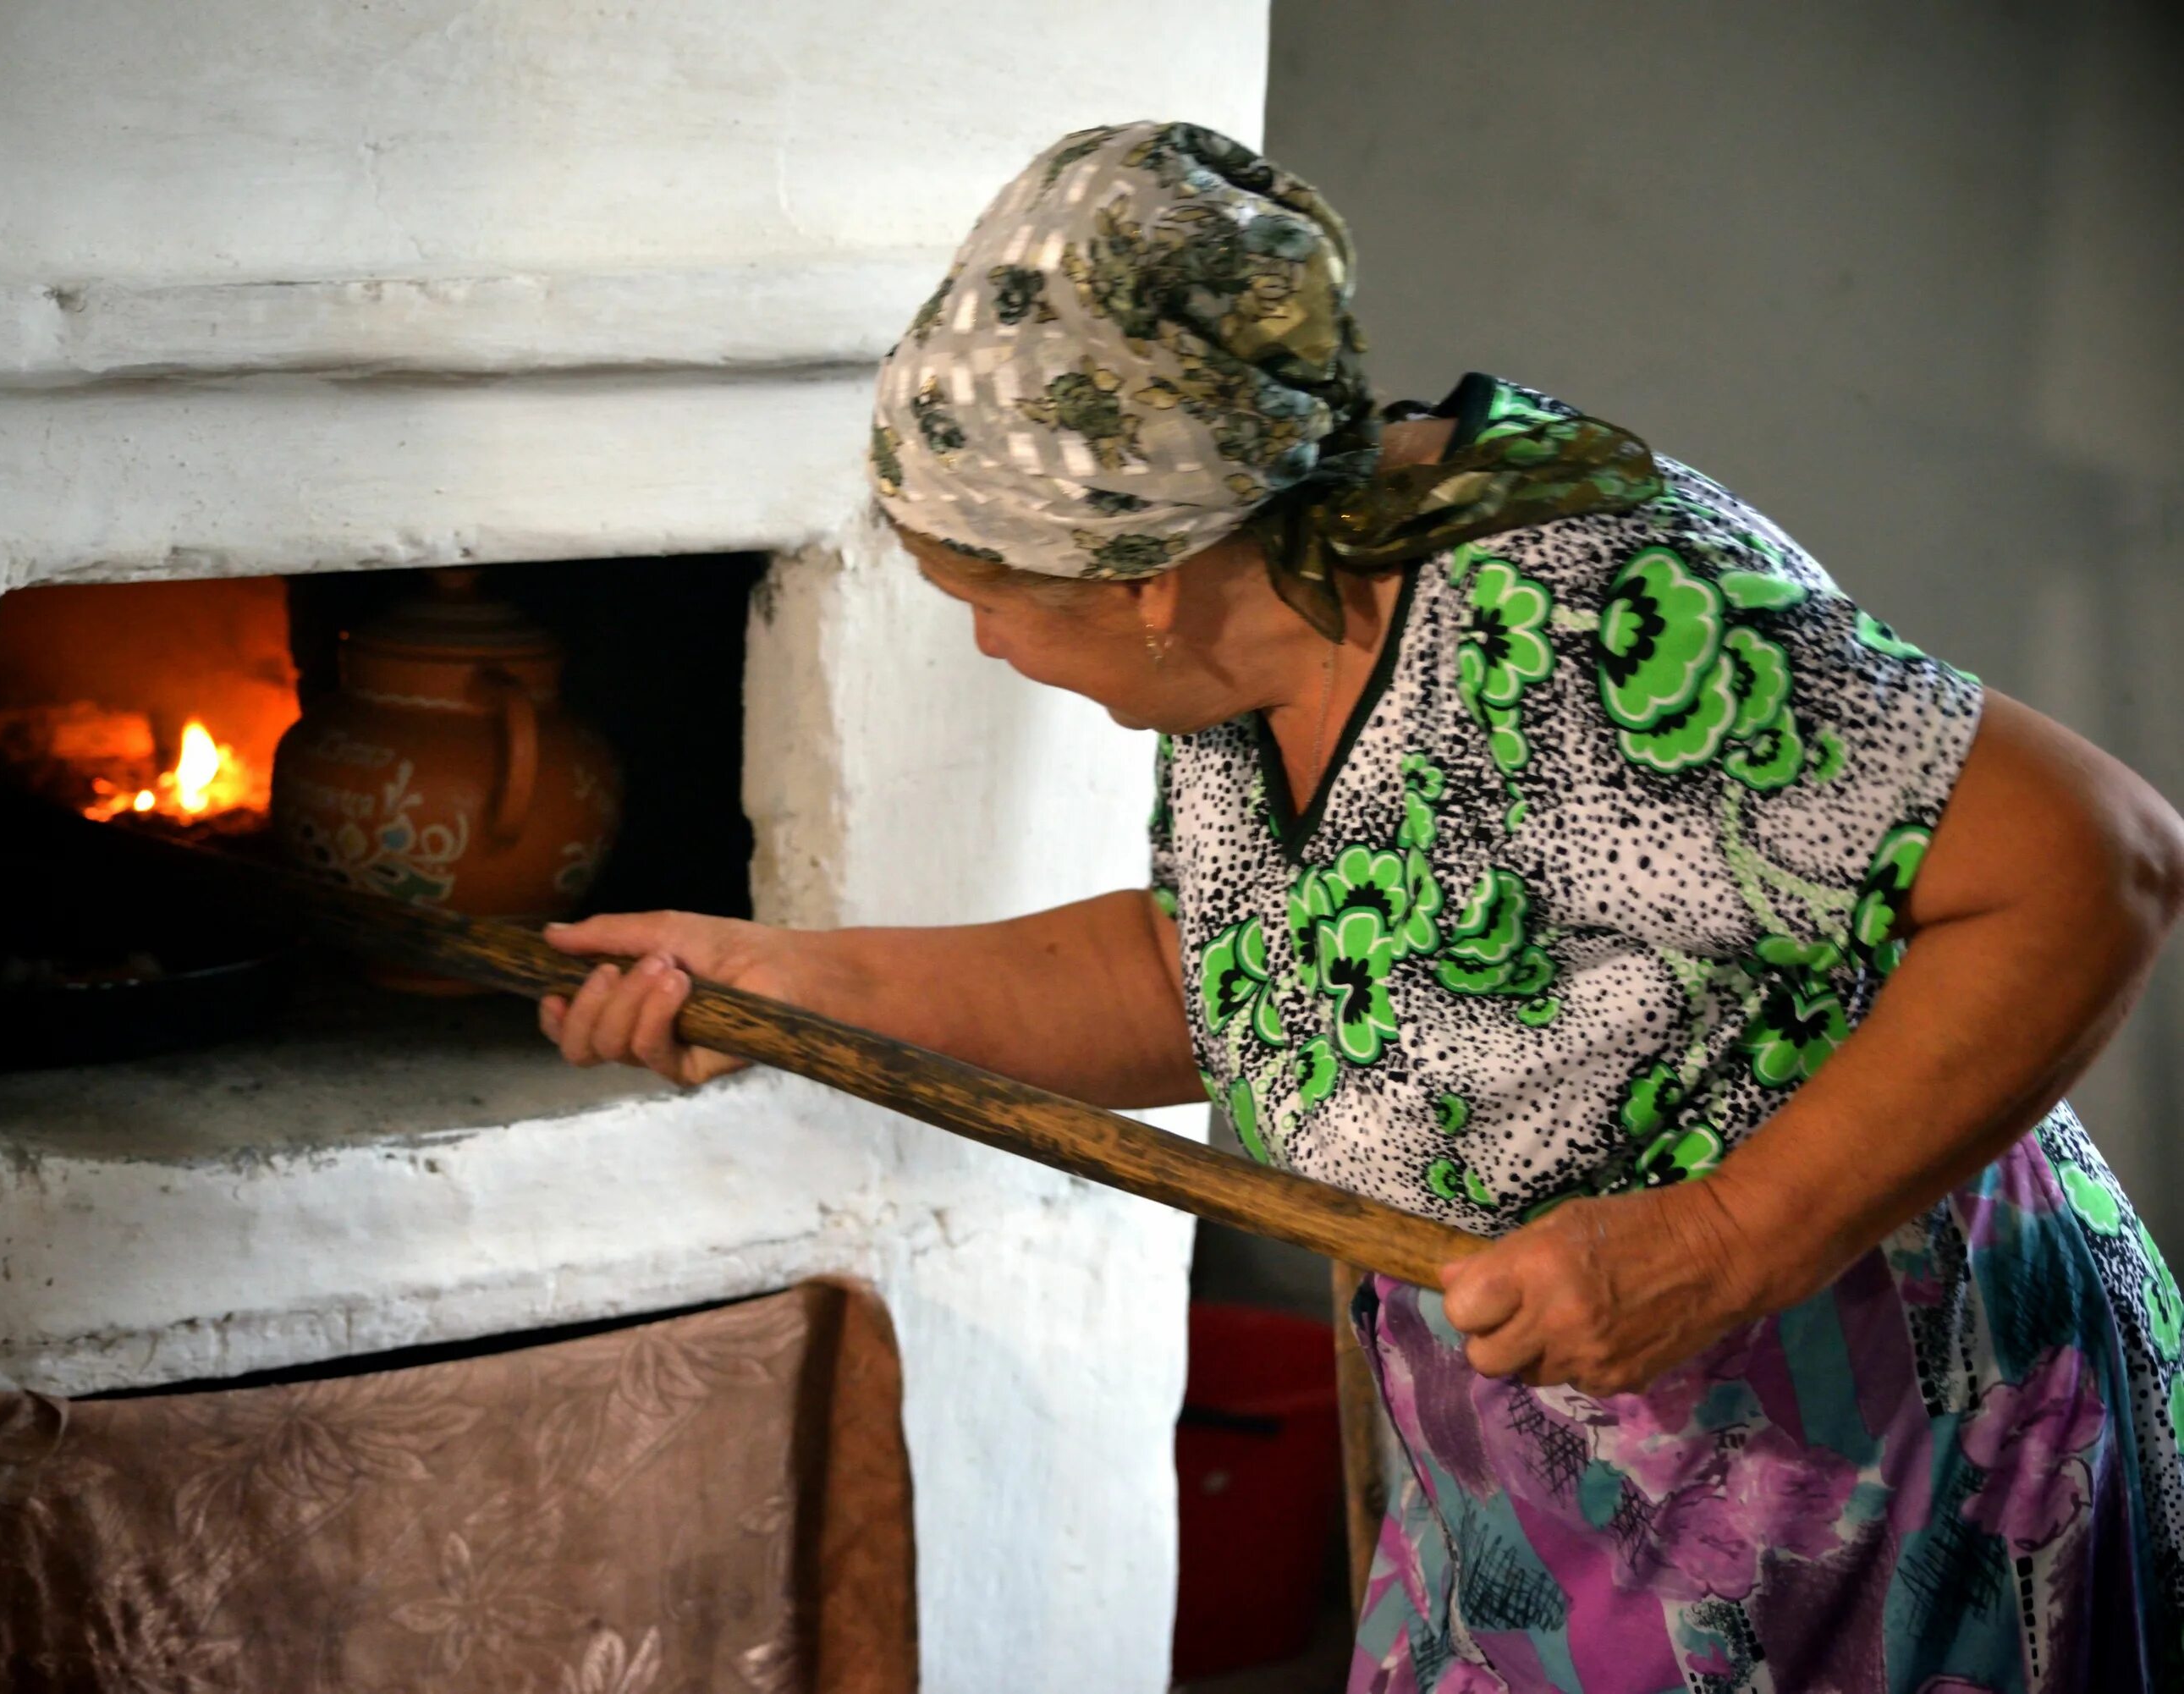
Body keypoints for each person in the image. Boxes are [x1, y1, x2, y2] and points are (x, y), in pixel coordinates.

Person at [537, 122, 2184, 1690]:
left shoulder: (1586, 620)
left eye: (990, 601)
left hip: (1873, 1442)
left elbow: (2098, 855)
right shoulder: (1255, 649)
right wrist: (771, 973)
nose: (986, 645)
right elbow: (1203, 974)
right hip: (1551, 1477)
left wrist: (1723, 1237)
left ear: (1146, 579)